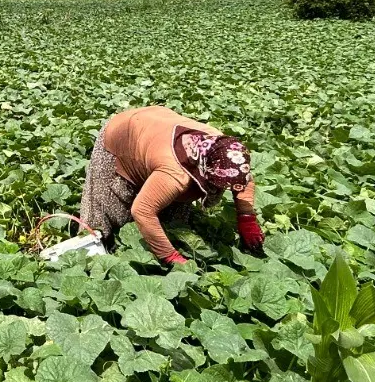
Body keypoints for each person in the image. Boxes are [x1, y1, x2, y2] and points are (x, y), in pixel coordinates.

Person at [79, 105, 263, 267]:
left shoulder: (224, 151)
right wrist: (169, 255)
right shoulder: (175, 173)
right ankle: (92, 251)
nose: (220, 190)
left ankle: (158, 238)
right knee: (110, 206)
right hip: (124, 132)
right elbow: (142, 211)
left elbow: (243, 179)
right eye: (216, 184)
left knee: (174, 217)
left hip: (157, 127)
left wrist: (247, 218)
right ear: (204, 170)